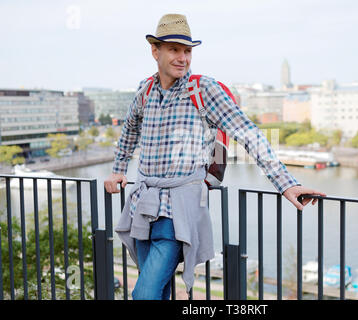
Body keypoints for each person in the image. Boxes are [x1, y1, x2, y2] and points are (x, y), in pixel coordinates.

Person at [104, 13, 326, 300]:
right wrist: (118, 169)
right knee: (158, 291)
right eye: (174, 49)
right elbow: (129, 132)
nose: (182, 58)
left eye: (187, 51)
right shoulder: (145, 91)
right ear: (155, 51)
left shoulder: (204, 90)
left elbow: (248, 133)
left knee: (144, 294)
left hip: (179, 211)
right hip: (143, 206)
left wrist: (286, 183)